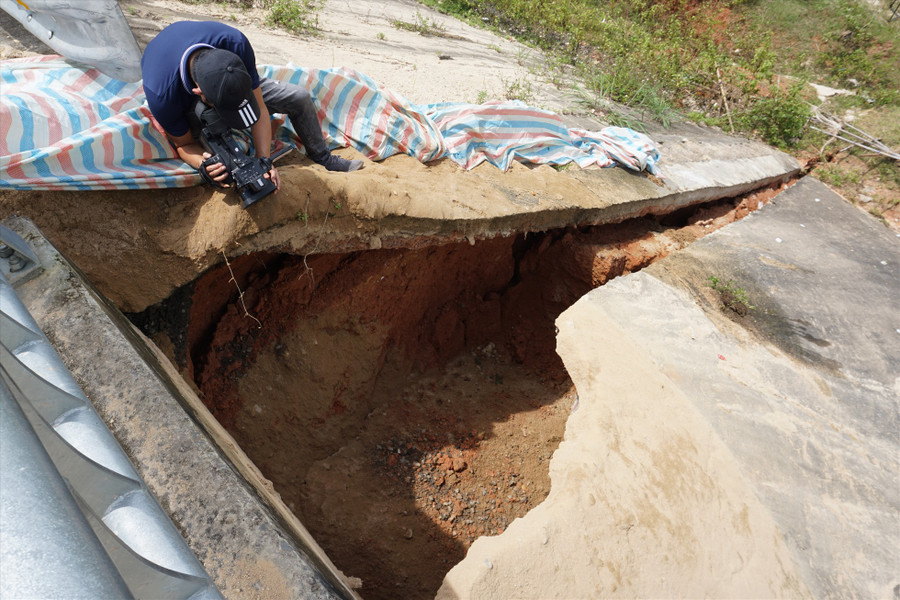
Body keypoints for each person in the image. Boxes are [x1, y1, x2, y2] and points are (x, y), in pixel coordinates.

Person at [140, 21, 362, 192]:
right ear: (199, 92)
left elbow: (260, 108)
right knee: (226, 165)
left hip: (223, 82)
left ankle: (324, 158)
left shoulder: (235, 43)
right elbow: (183, 144)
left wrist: (263, 160)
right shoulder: (163, 94)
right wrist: (203, 164)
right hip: (184, 96)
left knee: (299, 97)